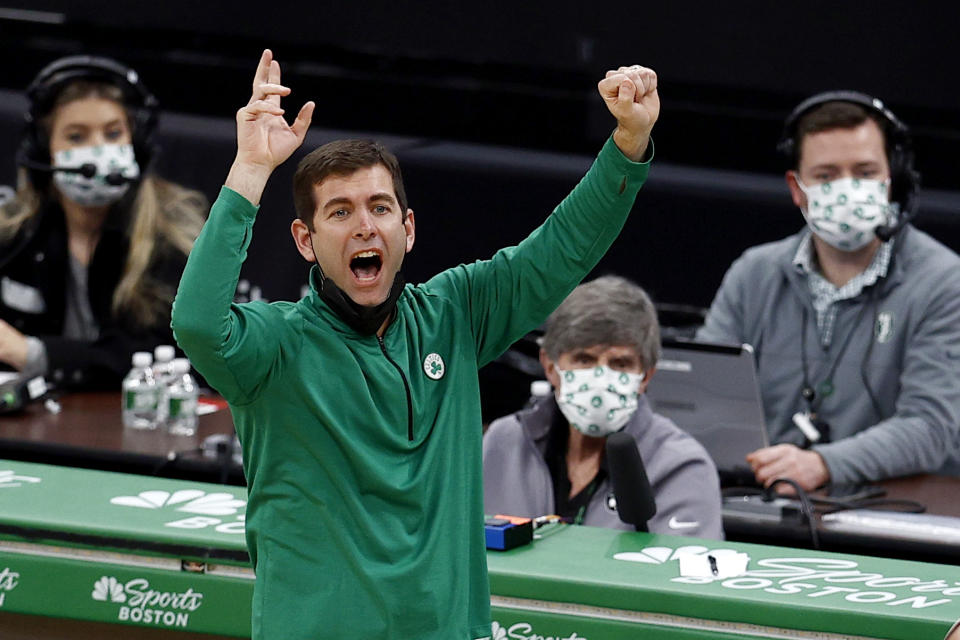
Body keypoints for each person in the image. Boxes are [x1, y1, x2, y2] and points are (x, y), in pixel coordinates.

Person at [171, 49, 659, 640]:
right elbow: (196, 322)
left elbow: (560, 250)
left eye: (379, 208)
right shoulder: (274, 346)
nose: (364, 227)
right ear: (305, 239)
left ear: (407, 229)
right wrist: (249, 171)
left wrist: (627, 144)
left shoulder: (453, 314)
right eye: (340, 212)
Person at [697, 91, 960, 491]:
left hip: (892, 524)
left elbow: (932, 427)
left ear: (893, 181)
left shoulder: (945, 282)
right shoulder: (753, 274)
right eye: (826, 176)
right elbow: (704, 398)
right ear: (797, 188)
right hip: (759, 508)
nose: (846, 190)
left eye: (865, 172)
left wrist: (823, 464)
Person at [0, 55, 206, 389]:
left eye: (113, 133)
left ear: (135, 144)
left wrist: (34, 353)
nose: (98, 152)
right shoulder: (15, 232)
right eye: (76, 137)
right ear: (44, 152)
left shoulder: (174, 234)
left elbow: (165, 355)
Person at [483, 275, 723, 539]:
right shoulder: (503, 443)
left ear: (645, 376)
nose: (600, 380)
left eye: (620, 364)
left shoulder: (682, 467)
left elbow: (684, 576)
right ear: (550, 366)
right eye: (584, 359)